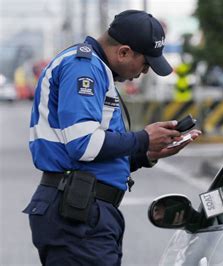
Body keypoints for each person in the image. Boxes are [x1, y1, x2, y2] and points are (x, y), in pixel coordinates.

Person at [23, 10, 201, 265]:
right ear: (124, 52)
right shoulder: (82, 67)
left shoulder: (96, 69)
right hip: (77, 214)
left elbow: (94, 156)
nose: (146, 72)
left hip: (83, 210)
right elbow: (83, 145)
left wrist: (146, 153)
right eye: (146, 63)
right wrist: (143, 139)